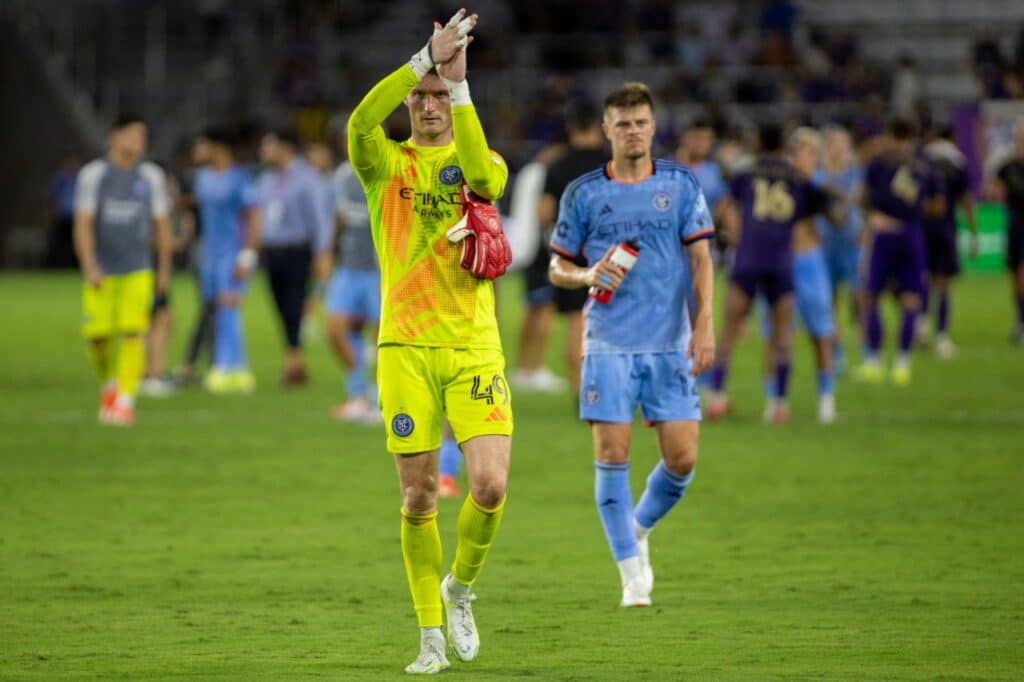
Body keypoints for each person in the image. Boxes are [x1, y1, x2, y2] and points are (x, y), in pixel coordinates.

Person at [348, 10, 513, 674]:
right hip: (405, 349)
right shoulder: (383, 164)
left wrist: (461, 81)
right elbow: (361, 121)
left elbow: (485, 181)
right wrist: (422, 60)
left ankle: (461, 588)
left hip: (473, 345)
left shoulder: (480, 157)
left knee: (492, 486)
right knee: (418, 497)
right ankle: (430, 639)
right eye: (421, 96)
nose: (428, 105)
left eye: (439, 97)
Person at [548, 82, 716, 608]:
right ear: (606, 130)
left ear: (653, 125)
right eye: (623, 123)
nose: (633, 130)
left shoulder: (682, 185)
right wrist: (586, 275)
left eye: (641, 121)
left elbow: (702, 258)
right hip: (608, 344)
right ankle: (628, 575)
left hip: (669, 343)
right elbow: (556, 267)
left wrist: (705, 321)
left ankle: (638, 528)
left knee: (683, 459)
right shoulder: (583, 193)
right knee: (612, 454)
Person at [706, 123, 836, 422]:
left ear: (757, 143)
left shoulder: (746, 173)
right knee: (782, 334)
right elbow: (821, 207)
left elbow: (724, 206)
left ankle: (715, 396)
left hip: (749, 258)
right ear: (784, 147)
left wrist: (727, 230)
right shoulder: (797, 179)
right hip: (781, 261)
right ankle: (779, 404)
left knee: (728, 329)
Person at [73, 113, 172, 426]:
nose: (138, 142)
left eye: (142, 136)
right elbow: (84, 224)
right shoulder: (94, 175)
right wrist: (89, 265)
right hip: (103, 269)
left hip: (138, 268)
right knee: (98, 337)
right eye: (131, 135)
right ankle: (110, 385)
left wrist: (163, 271)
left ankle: (125, 400)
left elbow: (162, 226)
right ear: (114, 137)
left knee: (134, 332)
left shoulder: (151, 176)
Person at [760, 127, 839, 424]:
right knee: (776, 335)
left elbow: (833, 217)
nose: (808, 155)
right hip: (779, 263)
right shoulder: (775, 181)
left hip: (810, 262)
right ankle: (775, 399)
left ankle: (827, 398)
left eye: (812, 151)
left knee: (821, 333)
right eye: (803, 149)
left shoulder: (817, 184)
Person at [854, 118, 942, 385]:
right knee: (910, 299)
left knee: (871, 296)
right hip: (912, 236)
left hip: (884, 234)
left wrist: (877, 217)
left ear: (891, 136)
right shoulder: (924, 168)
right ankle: (903, 363)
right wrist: (911, 216)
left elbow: (862, 197)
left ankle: (876, 361)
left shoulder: (880, 164)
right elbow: (938, 207)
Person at [532, 99, 608, 398]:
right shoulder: (612, 163)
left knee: (577, 321)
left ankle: (582, 391)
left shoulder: (558, 165)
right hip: (615, 252)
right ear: (602, 128)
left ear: (570, 128)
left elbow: (544, 211)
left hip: (575, 254)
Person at [257, 127, 333, 386]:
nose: (263, 151)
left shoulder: (308, 178)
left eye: (268, 145)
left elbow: (320, 220)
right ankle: (295, 360)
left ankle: (293, 363)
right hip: (272, 250)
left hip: (297, 250)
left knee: (295, 305)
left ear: (283, 147)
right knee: (281, 308)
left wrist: (322, 254)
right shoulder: (267, 179)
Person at [195, 127, 262, 393]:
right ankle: (235, 368)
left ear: (217, 148)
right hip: (209, 255)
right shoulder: (203, 178)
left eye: (201, 146)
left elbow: (255, 218)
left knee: (228, 308)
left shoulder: (240, 179)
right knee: (218, 310)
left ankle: (229, 368)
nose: (196, 152)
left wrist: (247, 256)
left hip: (232, 253)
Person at [326, 152, 382, 423]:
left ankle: (381, 399)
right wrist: (327, 254)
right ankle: (358, 394)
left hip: (380, 270)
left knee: (384, 338)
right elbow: (336, 219)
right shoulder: (342, 176)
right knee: (335, 330)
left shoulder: (390, 169)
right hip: (348, 266)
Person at [919, 125, 978, 358]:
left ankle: (921, 324)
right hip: (946, 227)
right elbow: (965, 199)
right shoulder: (957, 161)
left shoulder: (923, 158)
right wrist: (973, 232)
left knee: (925, 277)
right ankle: (942, 336)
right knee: (944, 284)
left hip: (924, 228)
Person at [814, 125, 863, 375]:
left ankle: (867, 351)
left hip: (851, 243)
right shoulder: (818, 176)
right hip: (826, 244)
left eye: (844, 143)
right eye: (835, 143)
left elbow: (860, 202)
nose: (840, 148)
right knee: (830, 302)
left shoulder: (856, 174)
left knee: (859, 298)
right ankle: (838, 354)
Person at [992, 117, 1024, 345]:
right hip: (1013, 223)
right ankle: (1020, 320)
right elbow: (993, 192)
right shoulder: (1008, 167)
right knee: (1015, 273)